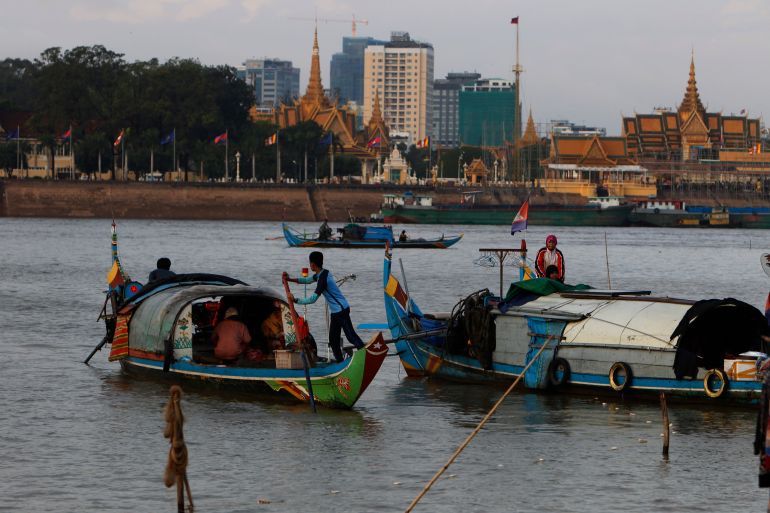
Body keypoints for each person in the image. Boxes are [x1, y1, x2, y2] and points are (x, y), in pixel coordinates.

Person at [284, 251, 364, 362]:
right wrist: (290, 279)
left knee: (351, 336)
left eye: (310, 263)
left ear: (312, 264)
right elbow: (307, 280)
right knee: (333, 340)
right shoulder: (322, 273)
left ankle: (365, 355)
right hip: (336, 313)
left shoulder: (322, 279)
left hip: (341, 310)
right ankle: (340, 362)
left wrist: (295, 300)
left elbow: (312, 299)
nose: (310, 265)